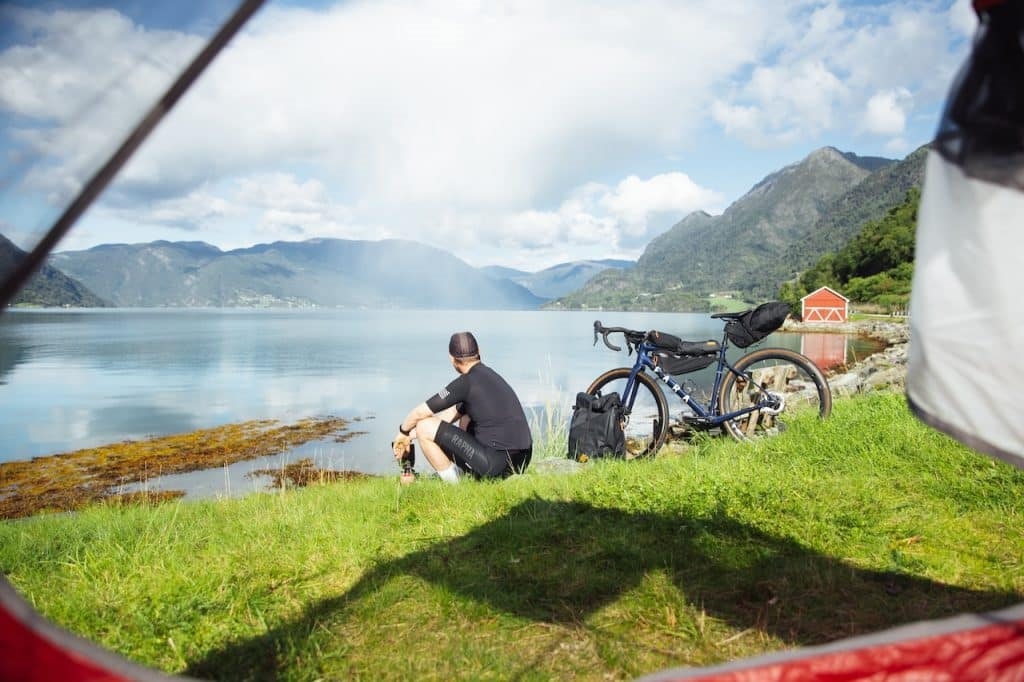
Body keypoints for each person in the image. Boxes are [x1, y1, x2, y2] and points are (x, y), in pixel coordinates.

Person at [392, 331, 533, 483]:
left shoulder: (465, 383)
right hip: (521, 460)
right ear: (479, 351)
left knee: (424, 426)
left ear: (452, 358)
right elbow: (448, 417)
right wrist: (412, 435)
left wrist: (403, 432)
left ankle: (456, 483)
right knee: (464, 417)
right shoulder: (489, 377)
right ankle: (468, 474)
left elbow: (420, 413)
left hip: (496, 464)